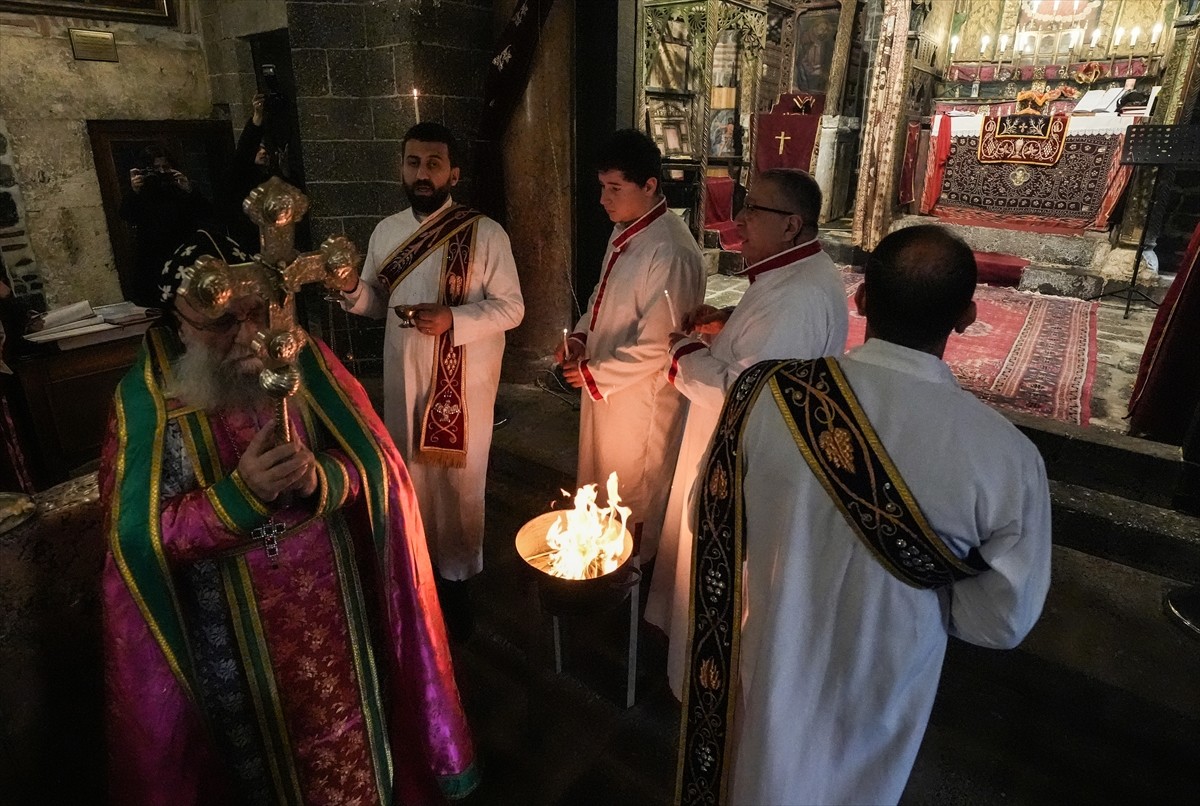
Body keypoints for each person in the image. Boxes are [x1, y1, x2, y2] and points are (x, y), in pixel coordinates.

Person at [675, 225, 1052, 806]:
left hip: (772, 660)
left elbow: (707, 523)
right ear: (967, 317)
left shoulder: (765, 396)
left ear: (862, 299)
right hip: (886, 686)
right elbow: (1002, 621)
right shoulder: (1008, 457)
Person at [100, 231, 478, 805]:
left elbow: (378, 471)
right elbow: (135, 544)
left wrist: (321, 479)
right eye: (222, 323)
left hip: (340, 620)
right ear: (179, 324)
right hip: (230, 650)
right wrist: (238, 497)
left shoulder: (308, 363)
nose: (249, 336)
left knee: (356, 758)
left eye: (257, 314)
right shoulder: (145, 403)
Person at [645, 168, 848, 698]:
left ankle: (709, 693)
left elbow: (748, 396)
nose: (739, 219)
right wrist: (730, 320)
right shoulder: (793, 274)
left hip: (745, 466)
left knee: (723, 589)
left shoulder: (797, 298)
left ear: (791, 225)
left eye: (753, 209)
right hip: (732, 453)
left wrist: (681, 351)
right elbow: (768, 347)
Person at [338, 122, 524, 634]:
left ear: (453, 174)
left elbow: (512, 308)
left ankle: (458, 584)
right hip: (404, 377)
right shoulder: (386, 232)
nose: (422, 173)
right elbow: (376, 303)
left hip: (463, 384)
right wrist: (352, 288)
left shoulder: (486, 233)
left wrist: (454, 319)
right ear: (402, 168)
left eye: (434, 164)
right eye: (414, 162)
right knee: (411, 476)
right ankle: (418, 577)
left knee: (459, 486)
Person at [556, 128, 705, 562]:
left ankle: (632, 581)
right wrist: (582, 336)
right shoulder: (627, 229)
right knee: (600, 485)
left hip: (641, 403)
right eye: (602, 186)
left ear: (650, 185)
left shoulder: (671, 250)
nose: (603, 199)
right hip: (608, 390)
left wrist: (592, 373)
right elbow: (601, 298)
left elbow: (661, 345)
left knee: (632, 495)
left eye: (614, 188)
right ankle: (601, 566)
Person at [118, 145, 213, 308]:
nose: (161, 172)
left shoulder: (179, 189)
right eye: (156, 168)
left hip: (182, 253)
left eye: (165, 167)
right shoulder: (143, 192)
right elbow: (126, 215)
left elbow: (206, 213)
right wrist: (134, 191)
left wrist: (189, 189)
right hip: (153, 257)